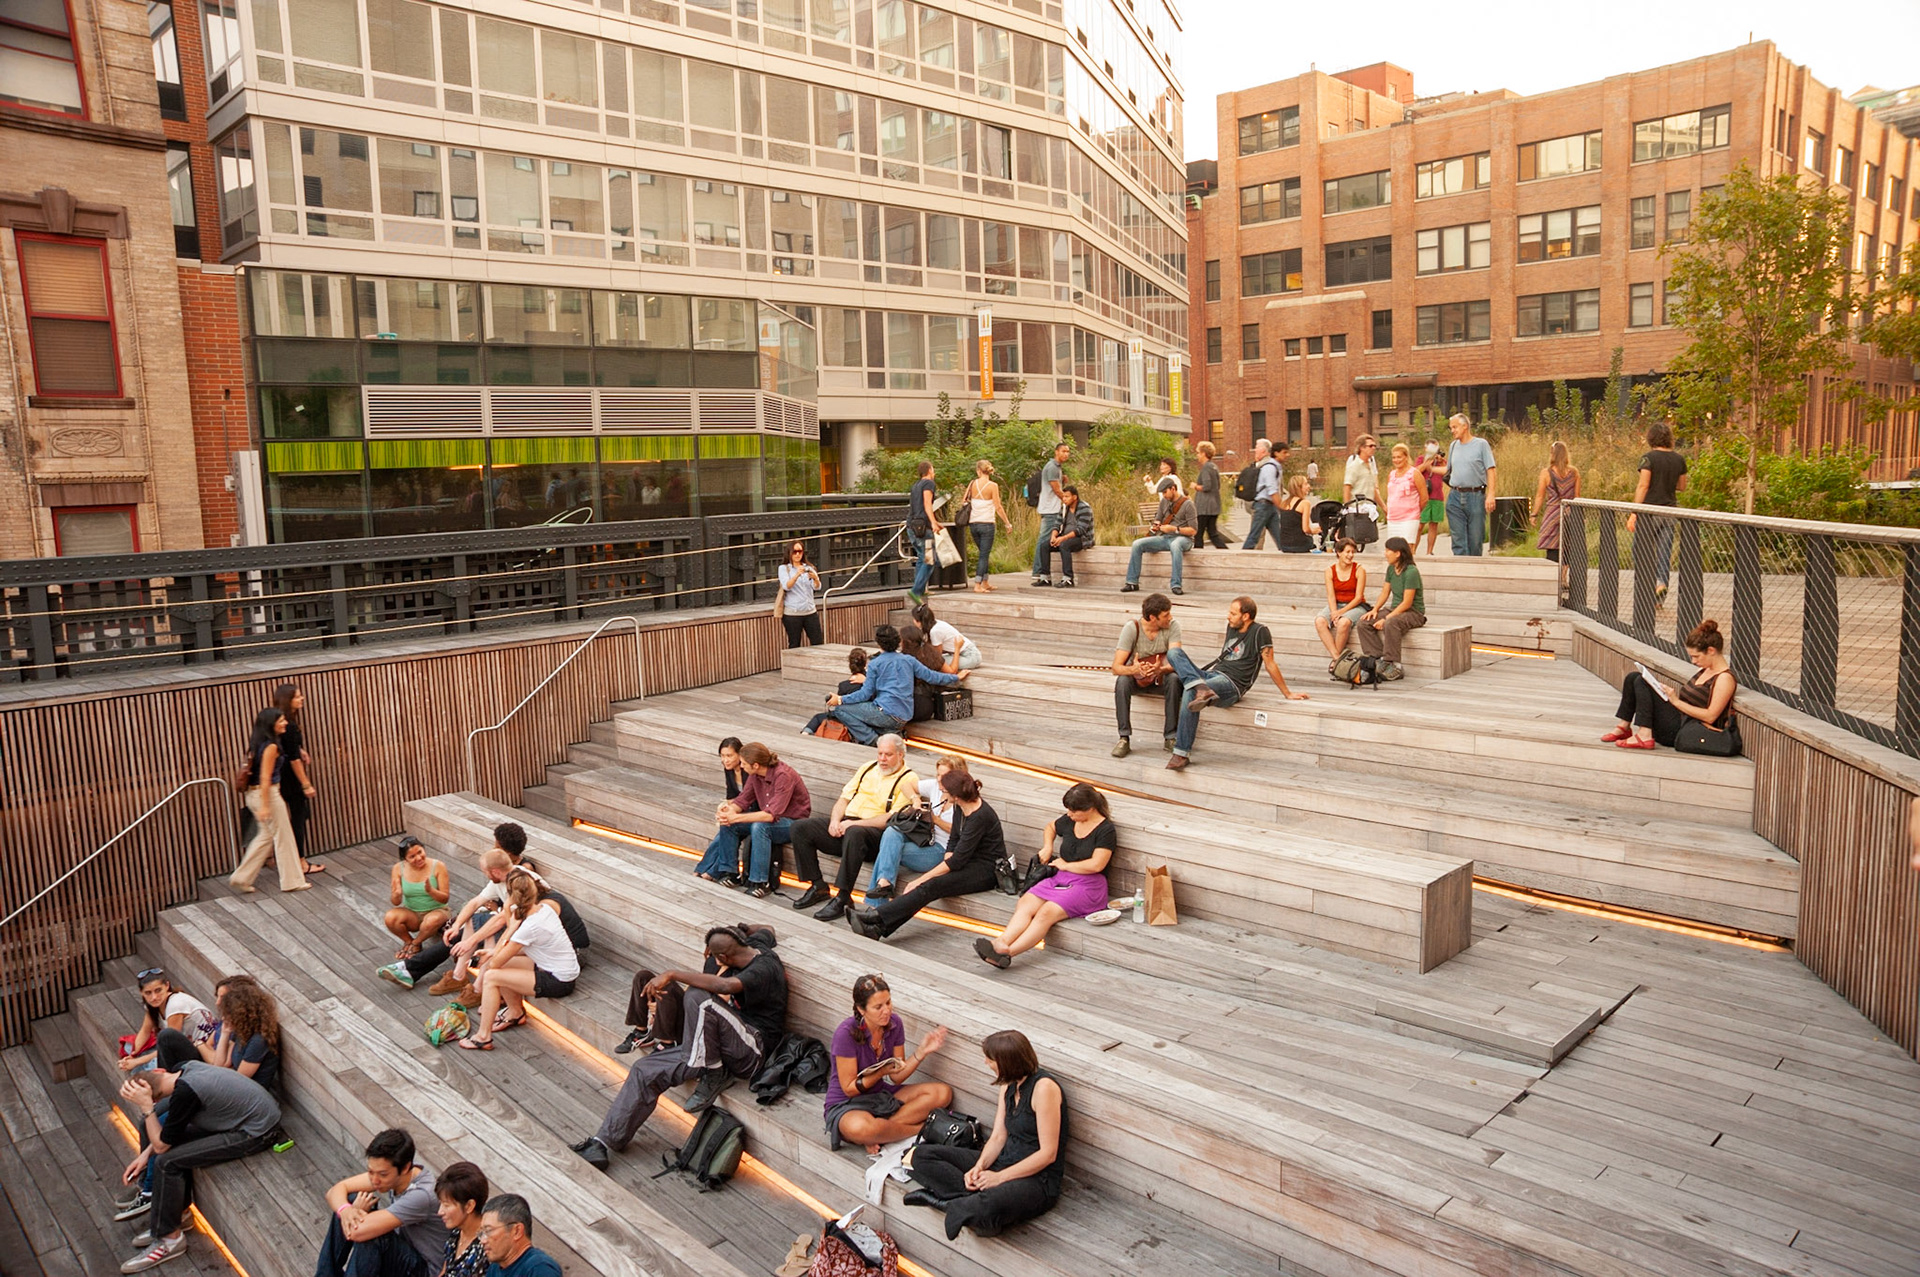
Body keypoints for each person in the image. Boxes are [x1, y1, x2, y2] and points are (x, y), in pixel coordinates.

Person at [573, 925, 788, 1170]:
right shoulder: (752, 943)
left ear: (724, 956)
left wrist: (673, 974)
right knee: (644, 1069)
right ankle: (602, 1143)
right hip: (713, 1044)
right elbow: (769, 928)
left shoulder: (764, 966)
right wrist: (742, 929)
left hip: (752, 1048)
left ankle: (713, 1071)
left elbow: (726, 987)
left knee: (698, 995)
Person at [115, 1053, 281, 1272]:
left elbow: (163, 1146)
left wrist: (147, 1110)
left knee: (167, 1162)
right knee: (166, 1153)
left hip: (257, 1132)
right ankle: (179, 1216)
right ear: (158, 1072)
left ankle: (169, 1240)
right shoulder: (185, 1068)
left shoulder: (185, 1093)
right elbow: (168, 1135)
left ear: (154, 1099)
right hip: (246, 1116)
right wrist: (144, 1156)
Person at [376, 826, 590, 996]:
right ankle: (430, 972)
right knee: (469, 924)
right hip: (537, 940)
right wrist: (458, 925)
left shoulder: (524, 882)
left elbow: (505, 921)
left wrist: (470, 941)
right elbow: (476, 902)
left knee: (479, 927)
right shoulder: (505, 877)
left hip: (567, 953)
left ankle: (461, 981)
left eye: (496, 845)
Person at [902, 1030, 1065, 1241]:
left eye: (990, 1059)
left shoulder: (1044, 1089)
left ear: (1006, 1061)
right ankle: (963, 1205)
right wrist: (979, 1167)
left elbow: (1048, 1154)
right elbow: (998, 1137)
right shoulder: (1008, 1085)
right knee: (916, 1156)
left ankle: (949, 1201)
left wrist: (999, 1178)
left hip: (1036, 1179)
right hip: (1002, 1162)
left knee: (991, 1205)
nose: (986, 1063)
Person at [851, 768, 1005, 941]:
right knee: (929, 885)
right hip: (966, 861)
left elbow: (957, 861)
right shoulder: (960, 807)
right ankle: (876, 928)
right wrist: (949, 852)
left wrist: (920, 879)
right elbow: (954, 838)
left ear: (955, 795)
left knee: (930, 885)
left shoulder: (980, 816)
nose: (941, 792)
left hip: (985, 869)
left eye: (945, 791)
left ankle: (876, 916)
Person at [975, 783, 1112, 967]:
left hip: (1089, 884)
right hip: (1062, 876)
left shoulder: (1106, 830)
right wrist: (1048, 846)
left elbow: (1097, 864)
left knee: (1046, 912)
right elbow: (1051, 827)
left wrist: (1067, 864)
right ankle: (1001, 942)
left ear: (1089, 809)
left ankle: (1007, 954)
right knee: (1026, 902)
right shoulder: (1071, 820)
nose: (1069, 815)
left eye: (1073, 811)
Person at [1164, 597, 1307, 771]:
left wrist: (1287, 693)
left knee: (1190, 690)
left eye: (1233, 613)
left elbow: (1270, 663)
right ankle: (1201, 687)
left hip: (1232, 684)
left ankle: (1181, 753)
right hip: (1212, 675)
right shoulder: (1232, 627)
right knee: (1174, 653)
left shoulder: (1260, 631)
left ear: (1245, 616)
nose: (1228, 616)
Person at [788, 734, 921, 919]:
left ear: (901, 755)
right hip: (848, 826)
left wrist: (853, 824)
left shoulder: (908, 778)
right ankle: (817, 885)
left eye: (888, 755)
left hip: (874, 835)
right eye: (880, 753)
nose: (882, 759)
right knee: (800, 828)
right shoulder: (867, 768)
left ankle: (843, 897)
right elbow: (844, 798)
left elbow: (891, 819)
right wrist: (835, 821)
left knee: (855, 832)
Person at [819, 974, 952, 1151]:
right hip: (847, 1103)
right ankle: (921, 1129)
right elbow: (849, 1088)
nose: (886, 1011)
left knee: (942, 1093)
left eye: (888, 1003)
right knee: (862, 1128)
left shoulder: (894, 1023)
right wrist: (881, 1073)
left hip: (880, 1095)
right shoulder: (846, 1033)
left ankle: (881, 1133)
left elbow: (898, 1077)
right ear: (861, 1009)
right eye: (878, 1007)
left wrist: (922, 1052)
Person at [460, 869, 580, 1050]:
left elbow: (497, 961)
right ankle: (515, 1012)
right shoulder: (543, 909)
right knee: (498, 963)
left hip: (559, 980)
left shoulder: (530, 926)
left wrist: (505, 934)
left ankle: (483, 1037)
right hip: (553, 967)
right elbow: (507, 950)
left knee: (492, 976)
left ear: (511, 896)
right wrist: (493, 952)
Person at [315, 1128, 447, 1277]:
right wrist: (346, 1210)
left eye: (383, 1174)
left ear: (405, 1168)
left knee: (375, 1236)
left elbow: (357, 1234)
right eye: (371, 1171)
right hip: (399, 1253)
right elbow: (335, 1191)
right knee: (350, 1200)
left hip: (422, 1270)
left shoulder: (422, 1195)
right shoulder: (392, 1170)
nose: (375, 1180)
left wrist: (358, 1212)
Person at [697, 741, 811, 896]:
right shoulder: (755, 775)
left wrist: (736, 817)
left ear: (755, 765)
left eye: (744, 763)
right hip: (770, 819)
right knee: (728, 823)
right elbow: (743, 800)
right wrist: (729, 812)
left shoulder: (783, 775)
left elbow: (770, 815)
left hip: (793, 823)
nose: (741, 767)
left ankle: (760, 882)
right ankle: (729, 872)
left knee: (760, 826)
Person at [1604, 620, 1738, 751]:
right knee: (1634, 677)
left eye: (1696, 656)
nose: (1693, 661)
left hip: (1683, 731)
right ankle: (1624, 726)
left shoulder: (1724, 679)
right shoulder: (1705, 670)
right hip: (1677, 721)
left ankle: (1644, 735)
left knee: (1641, 682)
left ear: (1711, 651)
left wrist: (1676, 701)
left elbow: (1710, 716)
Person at [823, 624, 965, 745]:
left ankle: (871, 739)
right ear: (898, 642)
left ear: (879, 643)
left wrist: (841, 700)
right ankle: (891, 733)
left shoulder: (875, 664)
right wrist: (955, 677)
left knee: (840, 710)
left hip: (885, 713)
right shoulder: (909, 660)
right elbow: (932, 676)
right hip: (905, 715)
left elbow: (864, 694)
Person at [232, 705, 312, 894]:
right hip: (267, 794)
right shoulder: (272, 747)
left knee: (265, 836)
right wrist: (266, 806)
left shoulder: (257, 744)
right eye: (281, 720)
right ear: (271, 724)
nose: (285, 723)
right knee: (284, 837)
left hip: (253, 794)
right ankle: (292, 881)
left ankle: (241, 877)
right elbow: (266, 777)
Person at [865, 754, 966, 899]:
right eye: (937, 774)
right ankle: (884, 884)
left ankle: (877, 903)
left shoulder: (964, 799)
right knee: (891, 832)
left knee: (888, 851)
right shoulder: (936, 787)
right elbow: (905, 785)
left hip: (942, 850)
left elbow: (962, 833)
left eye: (944, 775)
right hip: (924, 838)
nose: (939, 779)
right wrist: (915, 800)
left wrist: (936, 820)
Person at [1110, 592, 1182, 758]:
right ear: (1152, 617)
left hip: (1161, 678)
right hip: (1138, 679)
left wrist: (1161, 669)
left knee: (1174, 679)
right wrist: (1134, 670)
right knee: (1122, 681)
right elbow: (1116, 668)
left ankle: (1170, 737)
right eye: (1166, 615)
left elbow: (1177, 661)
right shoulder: (1132, 628)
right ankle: (1124, 738)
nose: (1170, 617)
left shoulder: (1173, 626)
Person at [118, 969, 217, 1073]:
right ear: (141, 992)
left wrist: (137, 1061)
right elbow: (145, 1031)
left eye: (158, 990)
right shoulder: (152, 1005)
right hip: (188, 1045)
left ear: (167, 986)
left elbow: (169, 1044)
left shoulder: (175, 1005)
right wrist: (133, 1055)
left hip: (204, 1050)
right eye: (148, 993)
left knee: (146, 1067)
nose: (154, 997)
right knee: (130, 1048)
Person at [1631, 421, 1688, 599]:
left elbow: (1643, 485)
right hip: (1670, 512)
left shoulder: (1648, 458)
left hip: (1649, 512)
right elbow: (1682, 486)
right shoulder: (1679, 459)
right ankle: (1660, 586)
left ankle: (1646, 588)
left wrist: (1634, 512)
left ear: (1651, 438)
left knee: (1639, 550)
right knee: (1664, 552)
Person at [271, 683, 323, 876]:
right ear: (288, 700)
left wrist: (299, 749)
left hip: (279, 775)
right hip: (289, 777)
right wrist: (306, 784)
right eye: (297, 697)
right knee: (299, 816)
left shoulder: (280, 720)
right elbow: (293, 760)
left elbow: (287, 747)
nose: (302, 699)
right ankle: (300, 862)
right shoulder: (289, 725)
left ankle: (275, 857)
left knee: (296, 816)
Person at [1357, 537, 1426, 681]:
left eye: (1388, 550)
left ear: (1398, 553)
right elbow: (1385, 592)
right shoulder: (1391, 569)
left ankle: (1393, 664)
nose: (1385, 553)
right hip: (1395, 608)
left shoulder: (1411, 572)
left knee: (1391, 623)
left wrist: (1386, 618)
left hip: (1414, 613)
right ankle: (1377, 658)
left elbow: (1407, 603)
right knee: (1363, 623)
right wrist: (1375, 609)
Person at [1121, 483, 1197, 596]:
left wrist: (1174, 529)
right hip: (1165, 538)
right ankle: (1132, 582)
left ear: (1173, 489)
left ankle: (1176, 584)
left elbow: (1193, 530)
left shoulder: (1188, 504)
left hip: (1184, 539)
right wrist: (1156, 525)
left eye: (1165, 492)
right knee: (1137, 544)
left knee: (1175, 545)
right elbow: (1158, 519)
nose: (1164, 495)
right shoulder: (1164, 502)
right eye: (1162, 493)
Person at [384, 836, 451, 961]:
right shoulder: (398, 868)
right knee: (390, 917)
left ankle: (415, 943)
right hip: (413, 914)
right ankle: (409, 941)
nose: (419, 858)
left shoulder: (438, 866)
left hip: (437, 911)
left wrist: (431, 891)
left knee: (432, 920)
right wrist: (396, 894)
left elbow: (445, 899)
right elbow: (396, 902)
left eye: (420, 852)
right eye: (412, 856)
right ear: (405, 859)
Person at [1444, 413, 1497, 557]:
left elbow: (1490, 469)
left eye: (1454, 427)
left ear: (1465, 426)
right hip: (1455, 496)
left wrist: (1491, 495)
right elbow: (1448, 470)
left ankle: (1475, 572)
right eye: (1451, 428)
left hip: (1475, 496)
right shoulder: (1453, 446)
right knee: (1458, 542)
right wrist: (1429, 468)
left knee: (1475, 541)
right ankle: (1461, 572)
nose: (1452, 431)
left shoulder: (1481, 445)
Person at [475, 1195, 561, 1277]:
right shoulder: (494, 1268)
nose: (483, 1240)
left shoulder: (540, 1268)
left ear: (517, 1231)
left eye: (489, 1231)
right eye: (481, 1233)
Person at [1314, 539, 1369, 667]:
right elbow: (1331, 595)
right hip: (1337, 604)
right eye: (1347, 552)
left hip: (1355, 605)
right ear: (1338, 553)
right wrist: (1334, 612)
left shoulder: (1359, 570)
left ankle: (1335, 663)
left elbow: (1358, 597)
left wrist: (1340, 613)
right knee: (1319, 621)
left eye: (1352, 552)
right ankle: (1337, 658)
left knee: (1343, 623)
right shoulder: (1330, 571)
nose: (1350, 555)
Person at [431, 1162, 489, 1277]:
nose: (440, 1212)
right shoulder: (457, 1232)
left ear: (469, 1206)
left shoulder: (486, 1248)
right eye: (440, 1204)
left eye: (446, 1205)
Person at [961, 460, 1011, 592]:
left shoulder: (972, 483)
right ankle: (977, 584)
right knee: (984, 554)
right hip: (987, 524)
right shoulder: (993, 486)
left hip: (973, 524)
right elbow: (998, 506)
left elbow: (964, 500)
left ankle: (985, 581)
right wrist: (1007, 523)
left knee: (984, 553)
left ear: (978, 471)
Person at [1028, 440, 1070, 586]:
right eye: (1063, 451)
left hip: (1051, 508)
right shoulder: (1052, 467)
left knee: (1046, 540)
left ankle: (1041, 572)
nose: (1066, 454)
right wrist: (1067, 500)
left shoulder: (1056, 467)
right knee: (1044, 541)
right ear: (1056, 452)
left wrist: (1063, 480)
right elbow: (1056, 490)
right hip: (1050, 510)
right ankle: (1039, 572)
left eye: (1068, 452)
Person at [1034, 484, 1093, 587]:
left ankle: (1068, 578)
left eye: (1067, 497)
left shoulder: (1084, 508)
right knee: (1044, 545)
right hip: (1064, 536)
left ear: (1074, 497)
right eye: (1063, 497)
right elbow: (1057, 524)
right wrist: (1054, 536)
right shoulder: (1064, 508)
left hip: (1082, 539)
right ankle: (1045, 577)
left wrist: (1063, 538)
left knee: (1064, 545)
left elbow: (1081, 530)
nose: (1064, 499)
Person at [1533, 441, 1581, 564]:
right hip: (1570, 513)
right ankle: (1564, 577)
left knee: (1552, 547)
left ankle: (1554, 575)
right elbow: (1577, 497)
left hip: (1553, 513)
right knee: (1567, 546)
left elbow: (1540, 496)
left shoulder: (1546, 473)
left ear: (1552, 454)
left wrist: (1534, 514)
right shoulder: (1574, 473)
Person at [1240, 438, 1285, 551]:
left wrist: (1279, 505)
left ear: (1264, 451)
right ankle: (1245, 558)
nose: (1255, 450)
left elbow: (1275, 489)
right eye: (1285, 452)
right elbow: (1273, 489)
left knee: (1273, 535)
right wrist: (1282, 506)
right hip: (1264, 504)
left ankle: (1285, 552)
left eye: (1257, 448)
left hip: (1267, 505)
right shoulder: (1268, 466)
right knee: (1256, 536)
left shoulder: (1268, 465)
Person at [907, 460, 941, 605]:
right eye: (933, 469)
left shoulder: (915, 485)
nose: (934, 472)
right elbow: (927, 505)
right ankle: (915, 591)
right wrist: (933, 522)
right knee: (929, 559)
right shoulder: (928, 484)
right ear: (929, 470)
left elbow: (917, 506)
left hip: (912, 526)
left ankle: (920, 589)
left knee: (922, 558)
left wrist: (935, 521)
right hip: (923, 528)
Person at [778, 541, 825, 648]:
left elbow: (817, 587)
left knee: (818, 642)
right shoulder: (784, 568)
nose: (798, 554)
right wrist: (797, 575)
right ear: (789, 553)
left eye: (800, 551)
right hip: (793, 613)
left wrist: (816, 578)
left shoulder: (808, 567)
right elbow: (786, 586)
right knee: (794, 644)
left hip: (810, 611)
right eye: (794, 552)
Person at [912, 602, 983, 671]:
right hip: (963, 653)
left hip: (970, 657)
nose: (913, 621)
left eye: (914, 619)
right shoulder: (933, 624)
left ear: (919, 621)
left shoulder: (935, 631)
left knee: (930, 661)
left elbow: (937, 656)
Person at [1383, 443, 1424, 545]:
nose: (1396, 460)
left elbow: (1424, 497)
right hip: (1393, 518)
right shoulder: (1391, 474)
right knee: (1394, 549)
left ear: (1406, 457)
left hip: (1409, 519)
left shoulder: (1414, 473)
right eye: (1394, 457)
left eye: (1399, 457)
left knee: (1407, 548)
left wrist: (1415, 511)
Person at [1192, 441, 1230, 549]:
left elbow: (1207, 486)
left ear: (1204, 453)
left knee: (1198, 534)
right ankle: (1225, 552)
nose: (1197, 455)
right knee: (1213, 533)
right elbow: (1217, 485)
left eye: (1198, 453)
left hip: (1204, 507)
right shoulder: (1214, 467)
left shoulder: (1206, 468)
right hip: (1214, 505)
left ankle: (1198, 556)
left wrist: (1195, 486)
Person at [1276, 475, 1319, 553]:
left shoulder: (1283, 503)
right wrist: (1315, 531)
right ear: (1299, 487)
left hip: (1284, 545)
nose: (1309, 486)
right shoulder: (1305, 503)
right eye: (1306, 484)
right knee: (1313, 543)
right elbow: (1305, 529)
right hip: (1299, 544)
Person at [1417, 442, 1447, 556]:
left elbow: (1447, 471)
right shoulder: (1421, 459)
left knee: (1434, 524)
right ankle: (1413, 550)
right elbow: (1416, 471)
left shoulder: (1440, 462)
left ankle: (1429, 551)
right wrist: (1427, 462)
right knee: (1420, 525)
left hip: (1437, 496)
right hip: (1424, 496)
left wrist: (1441, 461)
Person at [1342, 436, 1380, 506]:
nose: (1373, 448)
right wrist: (1347, 508)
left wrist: (1384, 507)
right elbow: (1347, 488)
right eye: (1370, 446)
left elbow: (1373, 489)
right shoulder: (1354, 466)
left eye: (1374, 446)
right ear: (1362, 447)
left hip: (1370, 508)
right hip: (1357, 509)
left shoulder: (1371, 465)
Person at [718, 737, 747, 803]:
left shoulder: (748, 770)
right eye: (722, 755)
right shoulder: (729, 769)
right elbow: (730, 794)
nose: (725, 760)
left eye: (729, 756)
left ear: (739, 755)